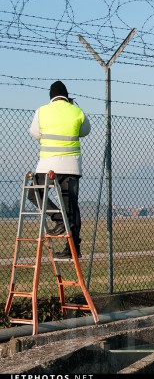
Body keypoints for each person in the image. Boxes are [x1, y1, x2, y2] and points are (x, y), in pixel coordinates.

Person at [28, 80, 91, 259]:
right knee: (71, 205)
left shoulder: (42, 111)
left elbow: (34, 133)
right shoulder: (76, 111)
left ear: (51, 97)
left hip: (48, 165)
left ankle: (57, 219)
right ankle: (73, 249)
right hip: (71, 166)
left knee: (35, 194)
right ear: (66, 96)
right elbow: (85, 131)